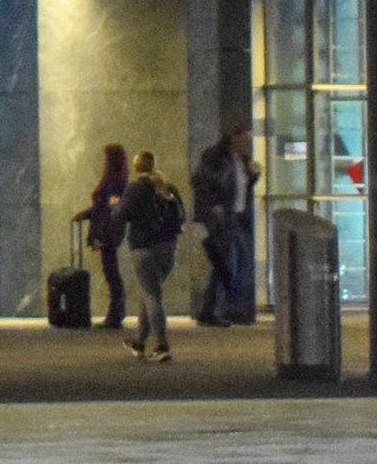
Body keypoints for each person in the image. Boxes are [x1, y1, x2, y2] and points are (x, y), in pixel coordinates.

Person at [120, 148, 186, 362]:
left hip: (143, 247)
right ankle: (138, 341)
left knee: (152, 296)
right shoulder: (168, 187)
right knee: (150, 293)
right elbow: (182, 215)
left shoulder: (136, 188)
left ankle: (161, 345)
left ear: (137, 167)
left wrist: (114, 206)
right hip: (168, 247)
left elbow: (121, 214)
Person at [191, 121, 259, 325]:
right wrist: (213, 205)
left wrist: (253, 176)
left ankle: (218, 309)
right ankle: (215, 310)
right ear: (234, 138)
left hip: (236, 216)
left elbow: (242, 187)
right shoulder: (216, 157)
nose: (248, 143)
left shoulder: (243, 160)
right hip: (221, 217)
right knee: (225, 262)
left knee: (230, 263)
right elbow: (201, 181)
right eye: (244, 138)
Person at [76, 143, 131, 329]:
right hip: (109, 230)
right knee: (111, 272)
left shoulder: (114, 183)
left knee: (111, 272)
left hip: (107, 231)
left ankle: (116, 313)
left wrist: (101, 233)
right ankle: (116, 312)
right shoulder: (118, 181)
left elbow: (108, 210)